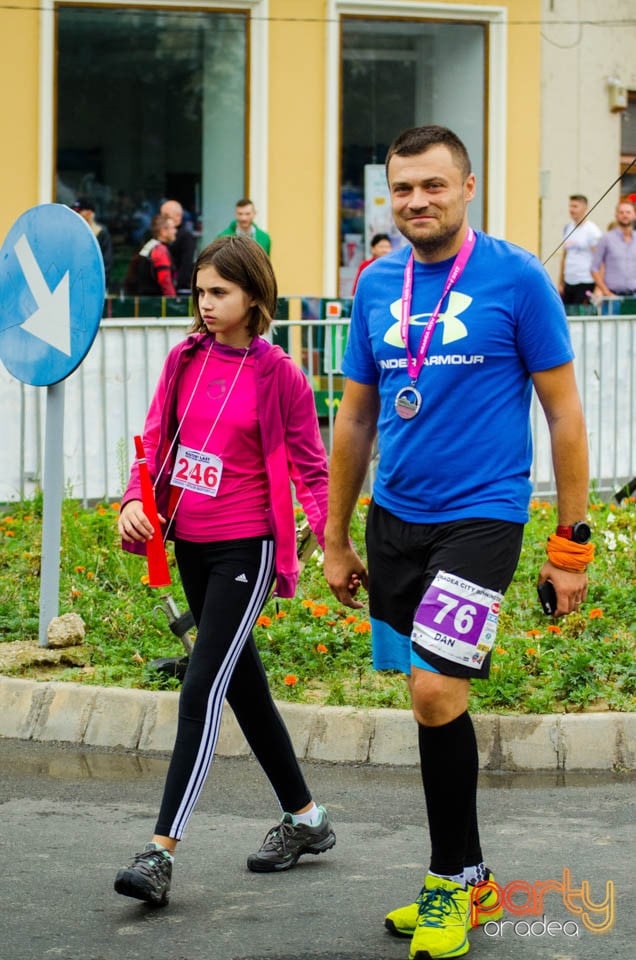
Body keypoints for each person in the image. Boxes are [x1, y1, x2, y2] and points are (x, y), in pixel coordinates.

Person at [323, 125, 592, 960]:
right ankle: (470, 874)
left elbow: (565, 417)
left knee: (438, 691)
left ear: (467, 188)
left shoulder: (516, 278)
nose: (417, 202)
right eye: (403, 189)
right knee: (425, 697)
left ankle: (448, 885)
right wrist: (334, 536)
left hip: (485, 516)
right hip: (396, 516)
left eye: (433, 186)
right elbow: (358, 416)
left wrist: (571, 544)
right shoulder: (375, 283)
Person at [114, 235, 335, 906]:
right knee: (244, 687)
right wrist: (133, 497)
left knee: (201, 690)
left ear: (254, 297)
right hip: (191, 543)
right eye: (201, 292)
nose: (207, 305)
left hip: (249, 547)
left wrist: (338, 547)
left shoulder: (279, 375)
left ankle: (159, 853)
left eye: (221, 293)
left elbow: (313, 470)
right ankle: (307, 820)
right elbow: (155, 442)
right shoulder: (183, 360)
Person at [557, 194, 601, 306]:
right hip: (569, 281)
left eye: (575, 206)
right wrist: (561, 282)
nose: (571, 210)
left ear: (585, 208)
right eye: (570, 206)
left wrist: (598, 287)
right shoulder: (568, 228)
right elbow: (564, 256)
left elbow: (599, 260)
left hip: (585, 281)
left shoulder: (592, 231)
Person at [590, 198, 636, 298]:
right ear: (616, 215)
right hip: (612, 297)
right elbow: (594, 269)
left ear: (634, 215)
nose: (625, 215)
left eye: (628, 212)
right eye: (621, 212)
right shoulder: (606, 239)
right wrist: (606, 292)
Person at [124, 213, 177, 297]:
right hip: (156, 301)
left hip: (141, 298)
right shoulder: (160, 250)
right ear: (163, 231)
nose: (175, 231)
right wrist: (173, 301)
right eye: (173, 228)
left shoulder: (148, 246)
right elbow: (165, 280)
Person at [72, 196, 113, 287]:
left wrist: (98, 284)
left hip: (93, 284)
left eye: (78, 212)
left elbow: (106, 263)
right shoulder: (71, 233)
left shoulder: (100, 233)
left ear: (89, 213)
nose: (75, 215)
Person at [160, 199, 198, 294]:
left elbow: (186, 265)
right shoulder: (156, 240)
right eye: (162, 216)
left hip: (177, 288)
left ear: (178, 216)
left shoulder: (186, 237)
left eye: (166, 216)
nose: (163, 220)